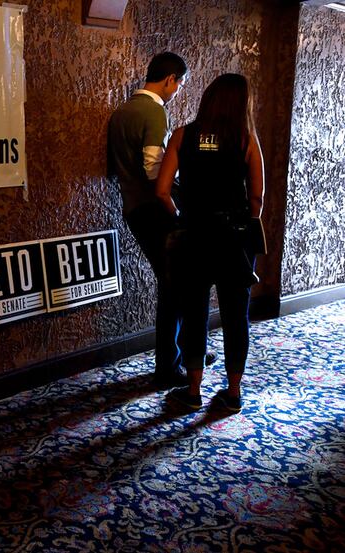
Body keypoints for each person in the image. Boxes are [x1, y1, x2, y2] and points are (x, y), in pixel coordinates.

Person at [156, 73, 265, 413]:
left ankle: (192, 390)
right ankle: (233, 393)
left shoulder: (182, 136)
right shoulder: (246, 139)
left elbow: (161, 190)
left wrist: (182, 217)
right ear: (241, 103)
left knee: (194, 313)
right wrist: (241, 217)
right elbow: (258, 197)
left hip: (195, 237)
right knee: (236, 315)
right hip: (233, 241)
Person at [108, 52, 215, 389]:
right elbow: (155, 169)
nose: (178, 91)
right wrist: (176, 206)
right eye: (179, 84)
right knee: (175, 286)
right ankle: (170, 364)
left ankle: (180, 355)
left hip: (132, 207)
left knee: (172, 285)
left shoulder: (121, 112)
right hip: (155, 209)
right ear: (170, 79)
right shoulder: (154, 111)